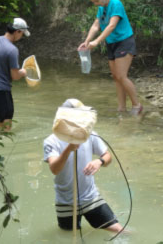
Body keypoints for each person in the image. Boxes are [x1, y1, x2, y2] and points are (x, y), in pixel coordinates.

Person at [43, 99, 123, 232]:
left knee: (120, 231)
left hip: (90, 197)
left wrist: (99, 161)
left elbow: (108, 156)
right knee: (68, 238)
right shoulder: (51, 141)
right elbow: (54, 169)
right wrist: (69, 148)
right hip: (66, 201)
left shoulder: (90, 134)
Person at [77, 0, 142, 115]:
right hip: (112, 43)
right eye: (93, 2)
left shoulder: (116, 3)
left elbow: (112, 25)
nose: (95, 4)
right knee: (115, 76)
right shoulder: (102, 7)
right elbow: (96, 25)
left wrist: (97, 41)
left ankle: (137, 105)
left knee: (122, 76)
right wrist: (88, 40)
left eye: (96, 1)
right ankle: (121, 108)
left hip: (124, 41)